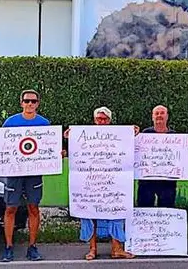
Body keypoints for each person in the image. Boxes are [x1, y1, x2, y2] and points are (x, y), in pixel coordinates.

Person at [0, 89, 48, 262]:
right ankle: (8, 247)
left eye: (33, 101)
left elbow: (49, 147)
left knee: (33, 208)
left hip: (34, 173)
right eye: (26, 101)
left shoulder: (44, 124)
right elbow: (2, 144)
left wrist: (59, 152)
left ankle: (32, 247)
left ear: (38, 104)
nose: (29, 104)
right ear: (21, 103)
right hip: (14, 173)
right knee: (11, 208)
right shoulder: (11, 122)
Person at [66, 106, 136, 261]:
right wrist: (70, 138)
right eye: (99, 119)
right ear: (94, 120)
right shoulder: (84, 135)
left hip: (113, 183)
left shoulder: (120, 136)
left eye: (105, 119)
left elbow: (129, 150)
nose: (102, 121)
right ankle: (92, 249)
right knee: (89, 214)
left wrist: (133, 135)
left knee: (117, 212)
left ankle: (116, 249)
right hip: (90, 184)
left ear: (110, 120)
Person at [134, 105, 188, 208]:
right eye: (156, 113)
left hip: (168, 182)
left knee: (167, 209)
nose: (159, 115)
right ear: (152, 117)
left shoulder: (175, 136)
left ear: (167, 116)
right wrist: (132, 135)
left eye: (162, 113)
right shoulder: (143, 134)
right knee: (144, 208)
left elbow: (184, 156)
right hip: (146, 181)